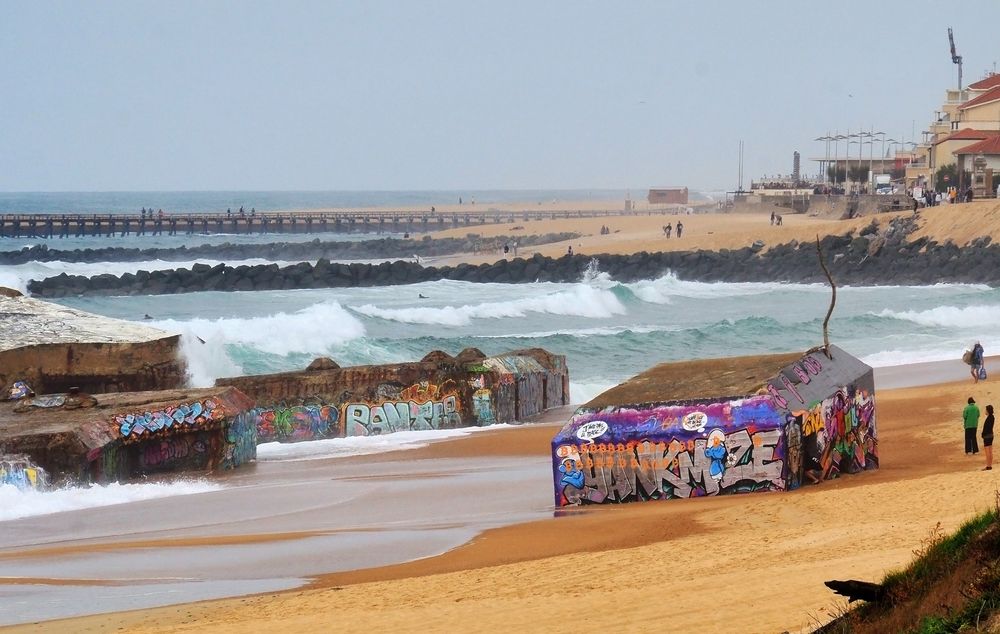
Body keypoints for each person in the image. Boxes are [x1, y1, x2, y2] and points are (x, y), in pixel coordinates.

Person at [983, 404, 994, 470]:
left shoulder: (989, 418)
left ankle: (988, 466)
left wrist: (983, 434)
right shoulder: (992, 417)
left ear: (988, 410)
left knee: (987, 452)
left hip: (987, 436)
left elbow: (986, 428)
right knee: (990, 451)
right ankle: (990, 465)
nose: (985, 411)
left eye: (986, 410)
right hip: (991, 435)